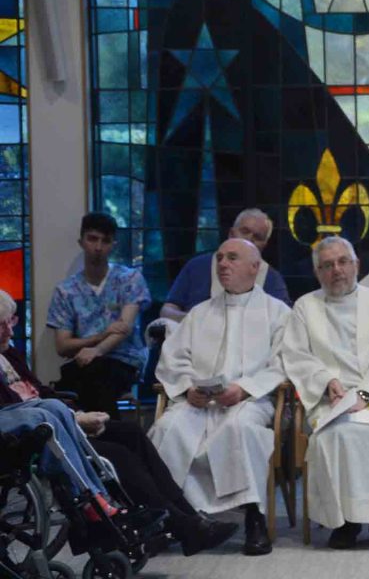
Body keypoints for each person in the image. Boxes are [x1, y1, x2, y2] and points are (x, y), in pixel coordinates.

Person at [0, 292, 238, 556]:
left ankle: (190, 517)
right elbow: (14, 412)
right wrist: (76, 419)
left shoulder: (8, 353)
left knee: (132, 433)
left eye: (11, 321)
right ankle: (183, 526)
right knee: (118, 456)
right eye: (3, 324)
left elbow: (41, 391)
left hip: (61, 421)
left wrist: (77, 413)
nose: (10, 329)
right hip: (38, 437)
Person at [149, 238, 290, 556]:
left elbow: (284, 362)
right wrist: (187, 388)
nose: (223, 264)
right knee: (167, 429)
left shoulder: (278, 313)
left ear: (254, 267)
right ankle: (174, 519)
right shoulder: (199, 313)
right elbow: (174, 359)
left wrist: (245, 388)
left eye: (232, 258)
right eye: (220, 258)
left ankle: (254, 517)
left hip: (250, 402)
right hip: (198, 404)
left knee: (241, 429)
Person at [282, 236, 369, 549]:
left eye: (343, 262)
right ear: (318, 272)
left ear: (356, 265)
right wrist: (325, 381)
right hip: (331, 398)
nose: (337, 270)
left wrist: (367, 394)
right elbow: (297, 356)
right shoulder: (305, 307)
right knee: (336, 435)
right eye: (328, 265)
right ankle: (345, 521)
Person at [46, 212, 150, 416]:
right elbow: (62, 346)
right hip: (83, 363)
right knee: (83, 376)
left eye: (105, 241)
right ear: (81, 242)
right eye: (92, 239)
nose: (98, 247)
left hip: (124, 360)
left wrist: (98, 350)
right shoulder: (66, 290)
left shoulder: (129, 279)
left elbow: (124, 328)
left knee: (92, 375)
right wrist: (100, 336)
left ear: (113, 245)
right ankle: (111, 436)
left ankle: (100, 437)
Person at [160, 208, 290, 321]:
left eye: (258, 237)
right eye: (245, 231)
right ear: (231, 233)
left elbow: (285, 320)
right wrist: (194, 322)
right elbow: (167, 311)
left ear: (264, 245)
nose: (249, 239)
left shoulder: (271, 278)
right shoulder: (197, 266)